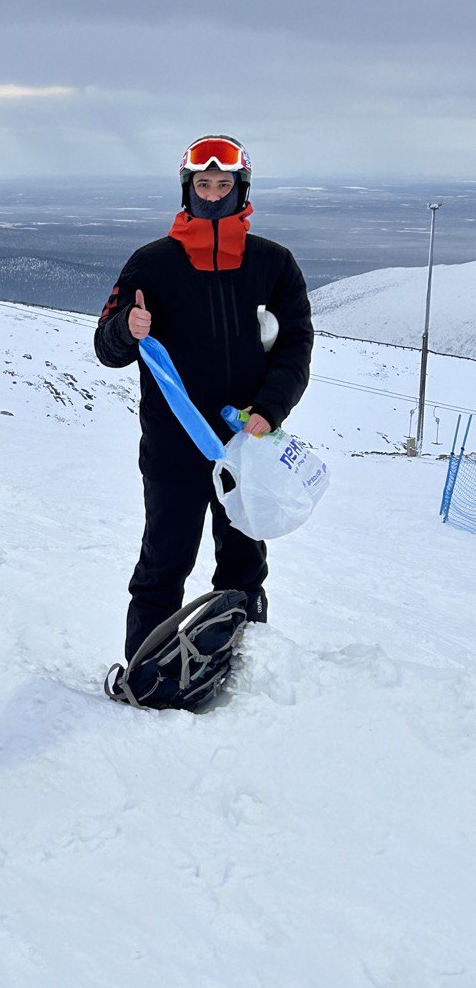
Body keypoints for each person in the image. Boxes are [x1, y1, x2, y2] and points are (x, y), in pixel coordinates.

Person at [94, 135, 313, 662]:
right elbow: (106, 347)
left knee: (243, 566)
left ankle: (239, 666)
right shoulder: (151, 264)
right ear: (187, 188)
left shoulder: (274, 264)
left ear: (241, 191)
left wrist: (268, 411)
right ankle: (143, 671)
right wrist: (127, 326)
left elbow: (295, 347)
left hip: (246, 448)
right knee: (164, 564)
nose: (213, 194)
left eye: (223, 184)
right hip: (174, 448)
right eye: (203, 184)